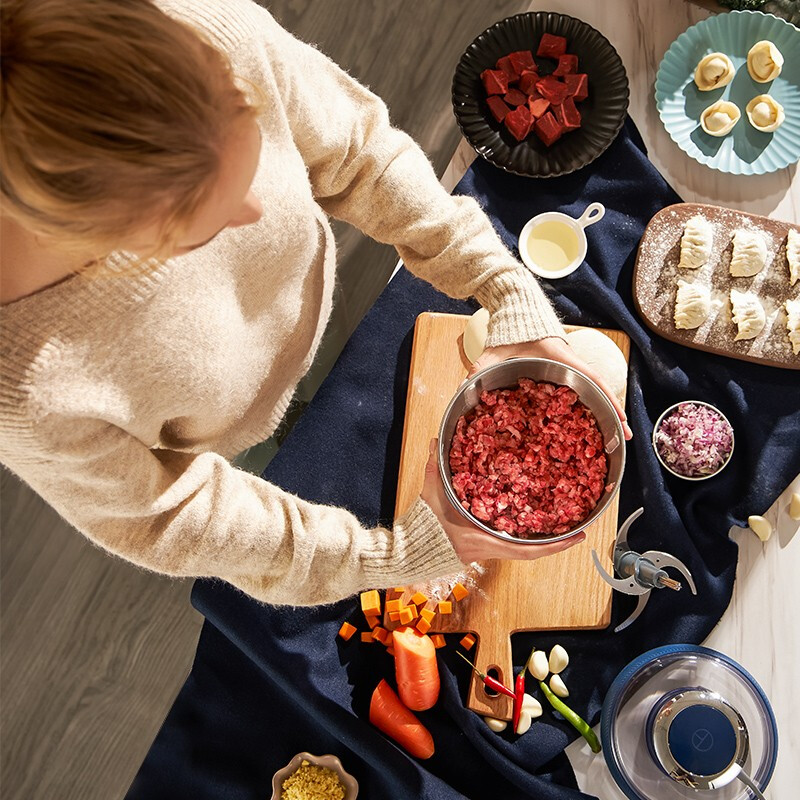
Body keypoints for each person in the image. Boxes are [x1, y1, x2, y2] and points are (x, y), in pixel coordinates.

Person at [0, 0, 629, 606]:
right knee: (281, 450)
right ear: (108, 241)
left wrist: (501, 282)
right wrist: (387, 556)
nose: (258, 211)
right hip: (214, 433)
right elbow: (177, 515)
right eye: (210, 220)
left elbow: (360, 157)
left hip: (311, 308)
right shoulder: (25, 393)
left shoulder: (210, 30)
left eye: (250, 155)